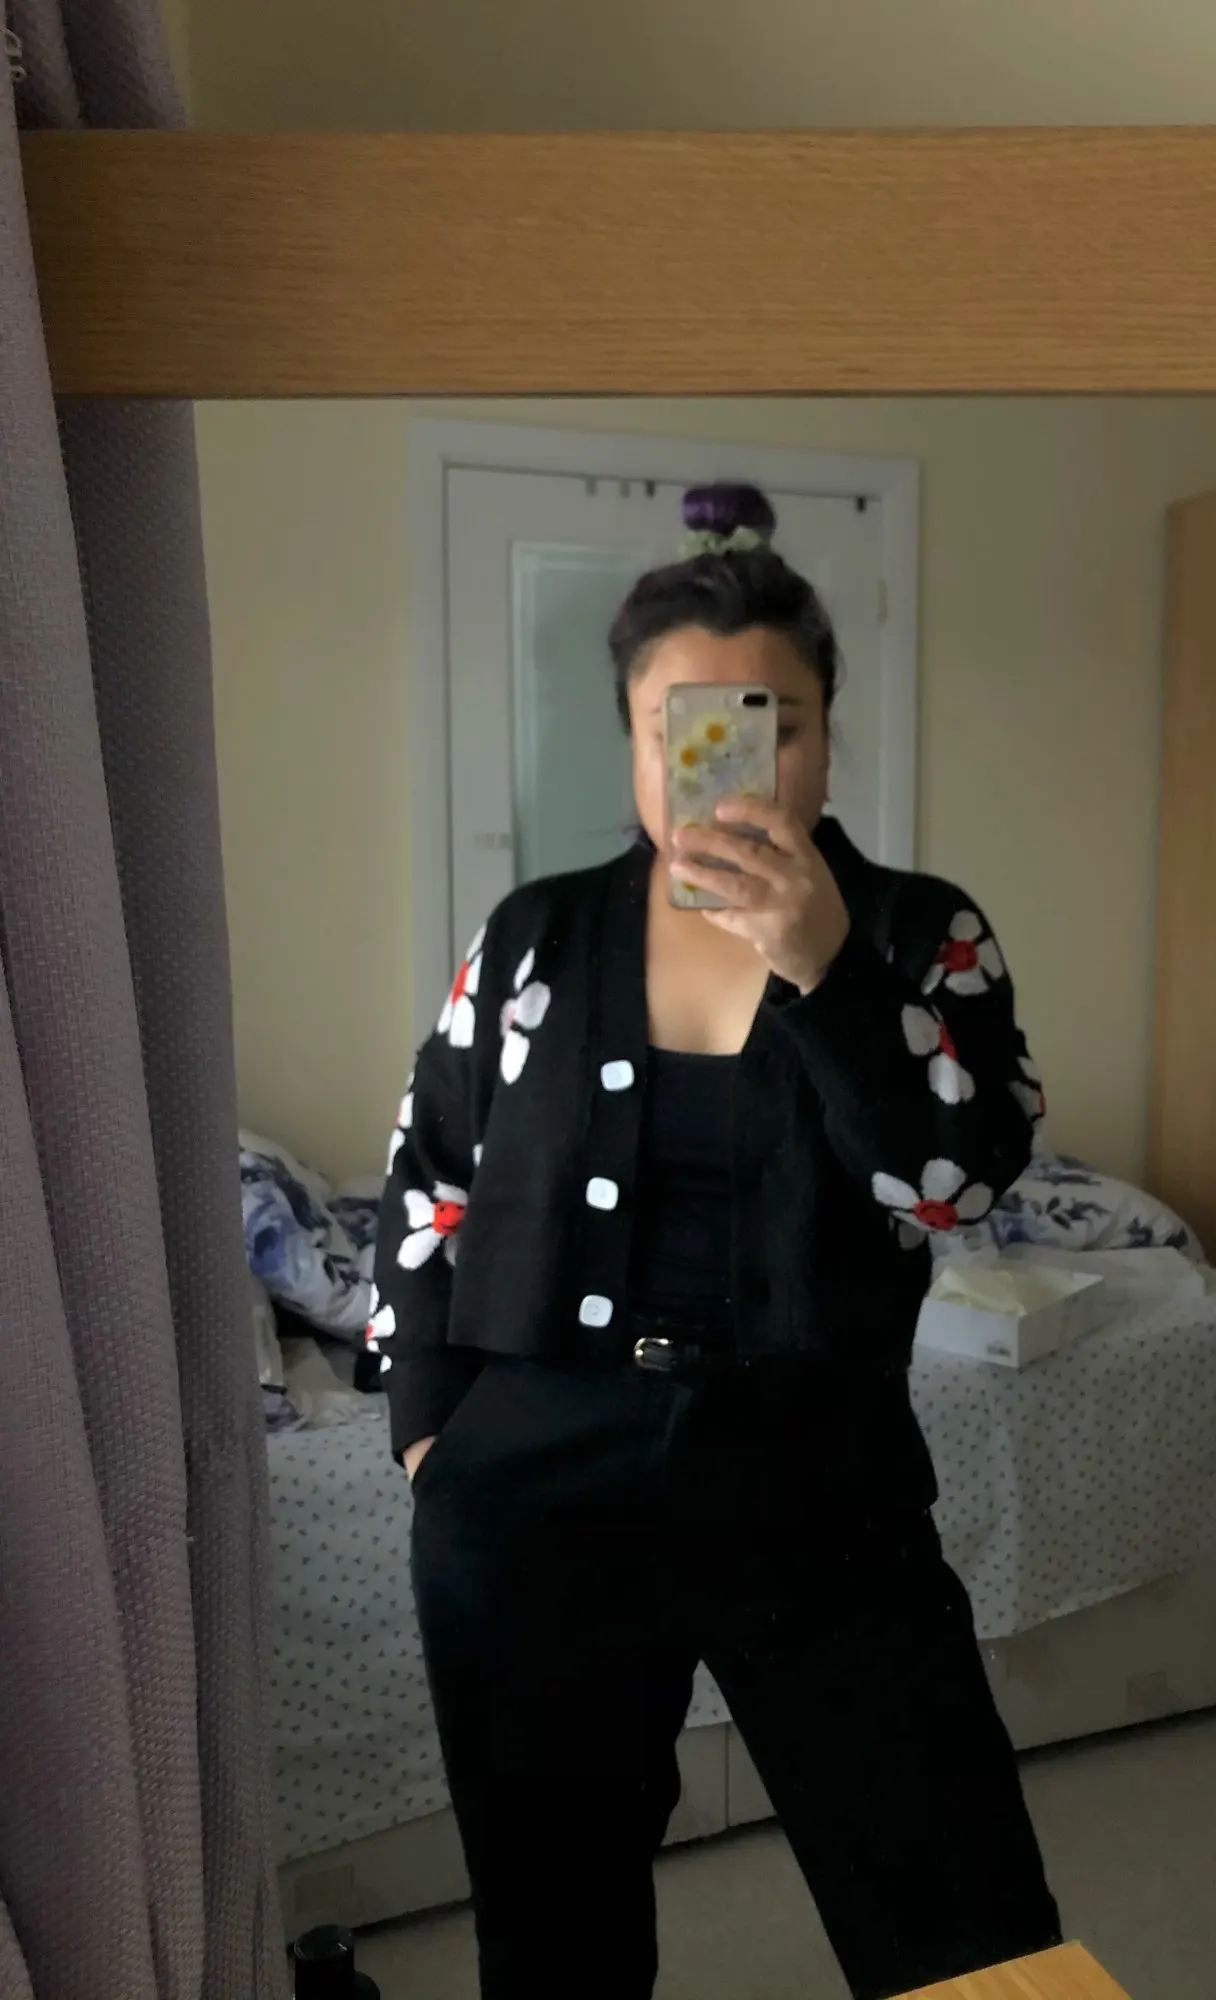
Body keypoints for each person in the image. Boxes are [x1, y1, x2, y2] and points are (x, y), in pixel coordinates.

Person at [370, 481, 1061, 1999]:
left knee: (964, 1917)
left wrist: (825, 971)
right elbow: (426, 1181)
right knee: (552, 1936)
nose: (730, 761)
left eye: (775, 722)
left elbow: (956, 1187)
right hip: (535, 1486)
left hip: (821, 1470)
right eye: (678, 726)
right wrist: (433, 1435)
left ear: (826, 733)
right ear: (632, 741)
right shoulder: (537, 935)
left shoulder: (922, 934)